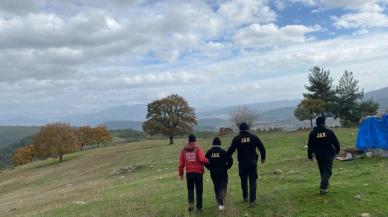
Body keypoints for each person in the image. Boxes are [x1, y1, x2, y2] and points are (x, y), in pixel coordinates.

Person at [227, 122, 266, 208]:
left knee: (243, 180)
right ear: (248, 128)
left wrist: (225, 158)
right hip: (252, 162)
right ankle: (252, 201)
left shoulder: (237, 138)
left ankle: (245, 197)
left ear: (240, 129)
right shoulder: (254, 137)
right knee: (252, 181)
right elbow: (262, 148)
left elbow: (231, 150)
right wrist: (263, 158)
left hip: (242, 163)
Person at [307, 116, 341, 195]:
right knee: (328, 171)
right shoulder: (329, 131)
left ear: (317, 123)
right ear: (323, 123)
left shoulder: (313, 133)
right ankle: (323, 187)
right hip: (328, 153)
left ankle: (325, 184)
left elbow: (310, 146)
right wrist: (337, 150)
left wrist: (310, 155)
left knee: (322, 170)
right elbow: (336, 142)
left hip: (319, 154)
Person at [178, 134, 209, 212]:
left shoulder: (184, 150)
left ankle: (191, 205)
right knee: (199, 190)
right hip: (198, 173)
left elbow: (181, 163)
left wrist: (181, 174)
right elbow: (202, 159)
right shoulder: (197, 148)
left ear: (188, 140)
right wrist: (208, 161)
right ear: (195, 140)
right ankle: (199, 208)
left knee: (190, 189)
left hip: (189, 173)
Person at [205, 137, 233, 211]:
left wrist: (210, 168)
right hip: (223, 172)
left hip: (213, 172)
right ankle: (221, 200)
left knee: (216, 186)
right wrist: (227, 167)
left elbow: (205, 162)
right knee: (223, 186)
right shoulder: (223, 151)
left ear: (213, 144)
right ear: (220, 143)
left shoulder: (209, 152)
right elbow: (230, 160)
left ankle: (219, 202)